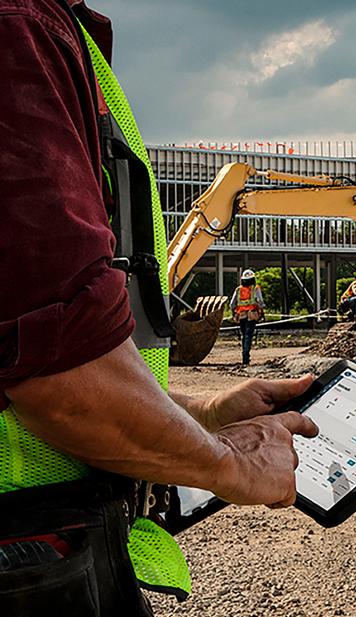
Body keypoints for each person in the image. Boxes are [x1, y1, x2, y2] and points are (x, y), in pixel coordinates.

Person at [0, 2, 319, 614]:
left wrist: (203, 410)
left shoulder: (51, 27)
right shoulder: (18, 28)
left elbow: (23, 352)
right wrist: (233, 465)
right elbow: (58, 379)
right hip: (26, 558)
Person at [228, 269, 265, 365]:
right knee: (248, 335)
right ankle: (245, 356)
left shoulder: (238, 289)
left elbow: (232, 304)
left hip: (241, 315)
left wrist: (234, 313)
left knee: (244, 335)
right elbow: (260, 302)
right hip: (252, 315)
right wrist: (261, 312)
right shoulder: (256, 288)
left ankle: (245, 355)